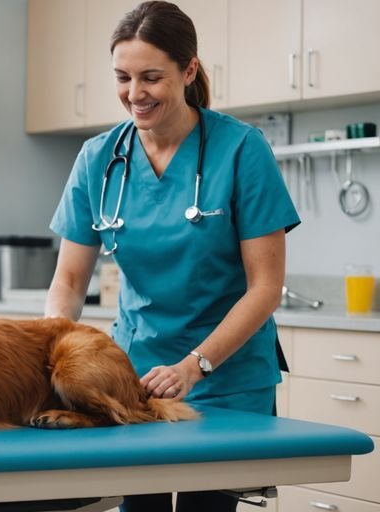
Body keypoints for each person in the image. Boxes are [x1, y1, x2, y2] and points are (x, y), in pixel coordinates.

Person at [45, 2, 299, 511]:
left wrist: (194, 365)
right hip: (135, 377)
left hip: (226, 375)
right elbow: (69, 283)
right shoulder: (99, 159)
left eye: (151, 77)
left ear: (188, 70)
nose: (134, 94)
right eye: (123, 77)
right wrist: (51, 352)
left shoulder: (242, 149)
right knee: (139, 506)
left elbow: (265, 287)